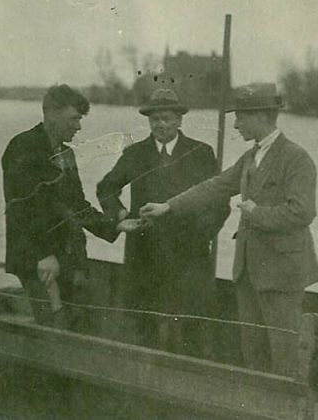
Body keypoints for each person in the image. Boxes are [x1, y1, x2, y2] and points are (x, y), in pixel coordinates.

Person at [136, 83, 318, 376]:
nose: (235, 124)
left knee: (284, 354)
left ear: (261, 116)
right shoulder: (250, 157)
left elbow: (303, 212)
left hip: (281, 273)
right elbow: (215, 187)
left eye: (240, 117)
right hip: (247, 271)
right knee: (253, 352)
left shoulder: (296, 158)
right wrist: (168, 206)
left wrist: (257, 213)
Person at [96, 89, 229, 356]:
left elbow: (219, 202)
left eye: (167, 118)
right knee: (144, 323)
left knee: (190, 325)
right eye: (155, 119)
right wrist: (121, 216)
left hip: (190, 255)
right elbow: (106, 188)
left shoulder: (200, 153)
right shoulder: (135, 153)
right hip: (144, 252)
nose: (161, 125)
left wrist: (201, 235)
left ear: (179, 120)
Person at [2, 84, 135, 329]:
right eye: (74, 118)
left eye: (80, 119)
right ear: (52, 113)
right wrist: (43, 255)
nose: (79, 126)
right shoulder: (22, 147)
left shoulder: (67, 154)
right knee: (51, 326)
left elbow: (77, 205)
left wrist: (115, 225)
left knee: (73, 321)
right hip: (36, 258)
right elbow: (21, 209)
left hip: (66, 255)